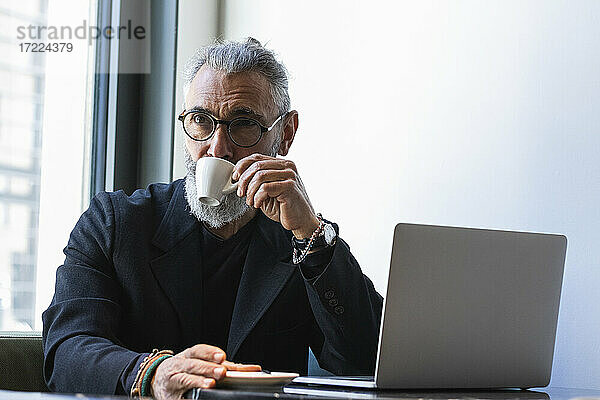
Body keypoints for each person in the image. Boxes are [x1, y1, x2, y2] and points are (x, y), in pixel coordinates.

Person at [42, 38, 382, 400]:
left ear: (285, 134)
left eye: (244, 123)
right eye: (201, 121)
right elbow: (66, 352)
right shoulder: (113, 224)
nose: (217, 147)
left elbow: (368, 361)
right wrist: (150, 374)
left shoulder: (299, 239)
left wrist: (311, 233)